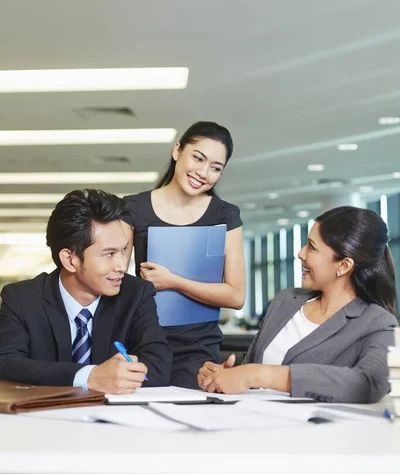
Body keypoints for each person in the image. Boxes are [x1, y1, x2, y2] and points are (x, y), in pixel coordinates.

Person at [198, 206, 399, 403]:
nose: (301, 253)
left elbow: (371, 383)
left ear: (344, 265)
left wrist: (257, 375)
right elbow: (252, 366)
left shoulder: (376, 321)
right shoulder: (286, 300)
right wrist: (226, 375)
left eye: (312, 247)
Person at [0, 189, 172, 393]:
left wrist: (120, 376)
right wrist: (89, 376)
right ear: (70, 260)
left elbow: (159, 366)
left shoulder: (136, 294)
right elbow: (6, 363)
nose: (122, 266)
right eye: (109, 254)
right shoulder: (21, 299)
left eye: (124, 251)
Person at [123, 121, 246, 389]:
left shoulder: (224, 215)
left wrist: (173, 281)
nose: (203, 172)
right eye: (198, 158)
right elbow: (115, 280)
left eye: (216, 168)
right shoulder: (134, 208)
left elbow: (236, 296)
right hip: (144, 341)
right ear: (177, 151)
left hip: (198, 349)